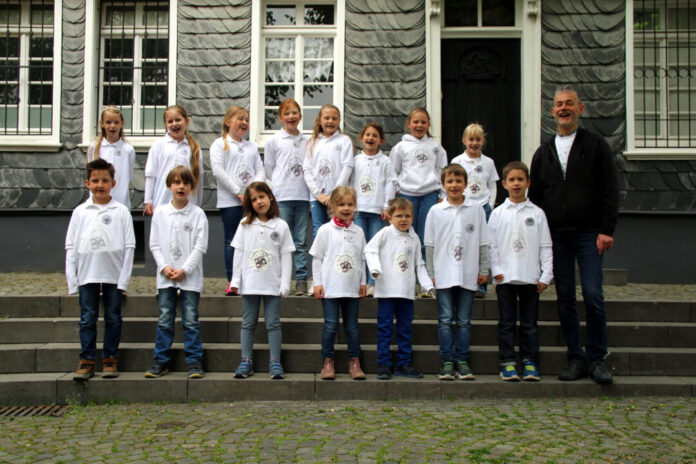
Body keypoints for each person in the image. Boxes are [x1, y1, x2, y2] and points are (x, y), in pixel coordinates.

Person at [529, 86, 619, 385]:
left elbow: (609, 189)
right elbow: (538, 199)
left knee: (593, 294)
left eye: (569, 103)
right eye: (558, 105)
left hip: (590, 233)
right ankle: (576, 357)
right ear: (552, 111)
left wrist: (607, 229)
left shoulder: (595, 145)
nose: (563, 108)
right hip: (557, 236)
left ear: (580, 109)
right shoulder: (544, 152)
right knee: (565, 297)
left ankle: (597, 358)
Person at [66, 159, 135, 380]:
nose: (100, 185)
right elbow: (71, 246)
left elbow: (129, 246)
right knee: (88, 317)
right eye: (95, 180)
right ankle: (86, 359)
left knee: (113, 317)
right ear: (87, 183)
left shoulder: (121, 211)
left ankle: (110, 358)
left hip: (113, 274)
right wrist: (72, 278)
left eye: (105, 180)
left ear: (113, 184)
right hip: (87, 274)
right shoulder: (80, 212)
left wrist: (124, 280)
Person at [489, 161, 553, 382]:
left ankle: (529, 361)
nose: (516, 184)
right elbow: (492, 245)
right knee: (507, 323)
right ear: (504, 184)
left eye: (520, 180)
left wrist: (546, 274)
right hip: (505, 278)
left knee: (529, 323)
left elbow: (545, 246)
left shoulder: (537, 213)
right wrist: (495, 269)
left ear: (528, 183)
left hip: (530, 277)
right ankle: (507, 363)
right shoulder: (498, 213)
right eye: (512, 180)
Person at [424, 164, 489, 381]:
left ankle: (462, 360)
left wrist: (483, 269)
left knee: (463, 321)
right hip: (443, 273)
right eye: (449, 181)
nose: (454, 185)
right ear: (443, 185)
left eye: (458, 181)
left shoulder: (476, 209)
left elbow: (483, 241)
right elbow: (430, 244)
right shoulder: (435, 211)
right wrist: (430, 273)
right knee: (444, 319)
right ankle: (447, 362)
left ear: (465, 184)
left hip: (468, 272)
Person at [145, 166, 208, 379]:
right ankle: (160, 361)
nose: (181, 186)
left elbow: (200, 246)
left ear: (191, 187)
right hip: (166, 277)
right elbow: (154, 244)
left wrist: (185, 269)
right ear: (169, 186)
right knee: (165, 318)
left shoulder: (198, 214)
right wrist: (164, 267)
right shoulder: (161, 213)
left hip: (189, 277)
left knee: (190, 319)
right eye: (177, 182)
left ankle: (194, 361)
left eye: (185, 183)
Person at [230, 182, 295, 379]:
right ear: (250, 203)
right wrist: (235, 280)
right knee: (248, 323)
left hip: (272, 284)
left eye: (262, 197)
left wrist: (285, 283)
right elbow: (238, 254)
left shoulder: (281, 225)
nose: (259, 202)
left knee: (273, 323)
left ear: (270, 197)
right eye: (254, 199)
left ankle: (275, 362)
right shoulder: (244, 225)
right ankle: (246, 361)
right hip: (250, 284)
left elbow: (286, 255)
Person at [365, 197, 433, 380]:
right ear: (390, 217)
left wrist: (427, 285)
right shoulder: (385, 233)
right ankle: (384, 364)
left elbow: (419, 264)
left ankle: (404, 363)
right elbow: (369, 250)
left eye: (407, 216)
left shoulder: (414, 237)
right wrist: (375, 268)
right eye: (399, 216)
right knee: (385, 328)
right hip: (387, 292)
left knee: (405, 328)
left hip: (406, 292)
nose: (403, 220)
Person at [309, 186, 366, 380]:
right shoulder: (325, 230)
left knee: (352, 326)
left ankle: (355, 361)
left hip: (351, 287)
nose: (346, 208)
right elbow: (317, 257)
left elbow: (362, 259)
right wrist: (317, 283)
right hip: (331, 287)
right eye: (341, 204)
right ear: (333, 206)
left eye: (350, 204)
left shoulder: (358, 231)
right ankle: (327, 361)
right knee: (331, 325)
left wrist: (363, 282)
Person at [210, 105, 265, 295]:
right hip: (231, 202)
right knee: (232, 241)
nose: (244, 123)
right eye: (240, 118)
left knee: (252, 241)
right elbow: (218, 171)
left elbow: (260, 170)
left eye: (247, 120)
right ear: (228, 122)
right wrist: (237, 192)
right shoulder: (219, 144)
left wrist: (254, 193)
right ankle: (233, 281)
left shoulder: (250, 146)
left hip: (251, 202)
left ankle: (250, 279)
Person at [264, 98, 311, 296]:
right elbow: (268, 169)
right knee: (279, 239)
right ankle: (277, 278)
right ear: (281, 117)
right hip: (282, 196)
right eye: (287, 113)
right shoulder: (274, 141)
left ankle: (300, 279)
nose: (291, 117)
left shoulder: (308, 140)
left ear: (300, 116)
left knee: (300, 241)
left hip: (302, 196)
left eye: (295, 113)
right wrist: (276, 189)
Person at [389, 107, 448, 263]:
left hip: (429, 195)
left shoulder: (435, 147)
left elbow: (442, 171)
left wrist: (443, 195)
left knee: (425, 236)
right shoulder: (401, 147)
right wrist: (396, 191)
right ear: (409, 123)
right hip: (407, 195)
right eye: (416, 122)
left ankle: (424, 273)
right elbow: (392, 171)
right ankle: (404, 268)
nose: (419, 125)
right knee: (405, 233)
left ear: (428, 125)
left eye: (423, 122)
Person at [451, 123, 500, 298]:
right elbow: (452, 185)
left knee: (481, 246)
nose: (474, 143)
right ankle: (461, 282)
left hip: (483, 207)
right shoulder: (457, 161)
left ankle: (481, 286)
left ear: (483, 141)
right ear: (464, 141)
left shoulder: (488, 163)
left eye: (478, 139)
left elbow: (492, 186)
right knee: (464, 243)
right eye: (471, 139)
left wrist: (491, 206)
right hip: (463, 208)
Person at [351, 122, 396, 297]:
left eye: (375, 136)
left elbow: (390, 183)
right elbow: (349, 182)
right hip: (359, 210)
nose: (370, 138)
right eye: (367, 135)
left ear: (381, 140)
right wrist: (351, 206)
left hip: (378, 211)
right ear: (361, 138)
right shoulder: (355, 160)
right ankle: (360, 281)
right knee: (360, 245)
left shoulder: (385, 161)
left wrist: (387, 206)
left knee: (375, 246)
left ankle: (372, 282)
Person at [303, 104, 354, 239]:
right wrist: (318, 194)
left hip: (339, 197)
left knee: (339, 232)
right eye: (326, 118)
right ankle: (318, 261)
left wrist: (334, 194)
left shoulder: (344, 140)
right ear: (320, 120)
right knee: (319, 232)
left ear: (339, 121)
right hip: (317, 197)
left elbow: (347, 167)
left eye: (334, 118)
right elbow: (307, 170)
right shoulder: (312, 142)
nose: (330, 121)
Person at [143, 105, 203, 215]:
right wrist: (148, 200)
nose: (174, 124)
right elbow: (151, 175)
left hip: (188, 205)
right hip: (162, 201)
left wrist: (197, 204)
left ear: (186, 121)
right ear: (165, 124)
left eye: (178, 120)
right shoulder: (159, 145)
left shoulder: (194, 148)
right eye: (170, 121)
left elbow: (199, 178)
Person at [86, 106, 136, 209]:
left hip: (120, 202)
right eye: (108, 122)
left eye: (116, 122)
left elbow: (129, 176)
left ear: (122, 123)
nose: (112, 126)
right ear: (102, 124)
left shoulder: (128, 149)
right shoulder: (94, 147)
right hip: (97, 202)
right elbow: (91, 174)